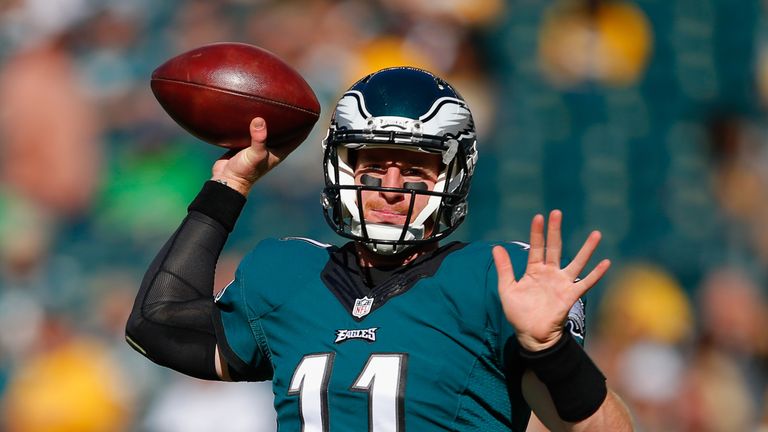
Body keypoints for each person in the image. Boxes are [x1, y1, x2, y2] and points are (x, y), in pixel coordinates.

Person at [126, 66, 633, 431]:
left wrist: (551, 350)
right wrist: (229, 186)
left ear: (453, 177)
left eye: (414, 168)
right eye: (373, 167)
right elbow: (155, 325)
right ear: (342, 172)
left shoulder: (493, 278)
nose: (391, 187)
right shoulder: (286, 272)